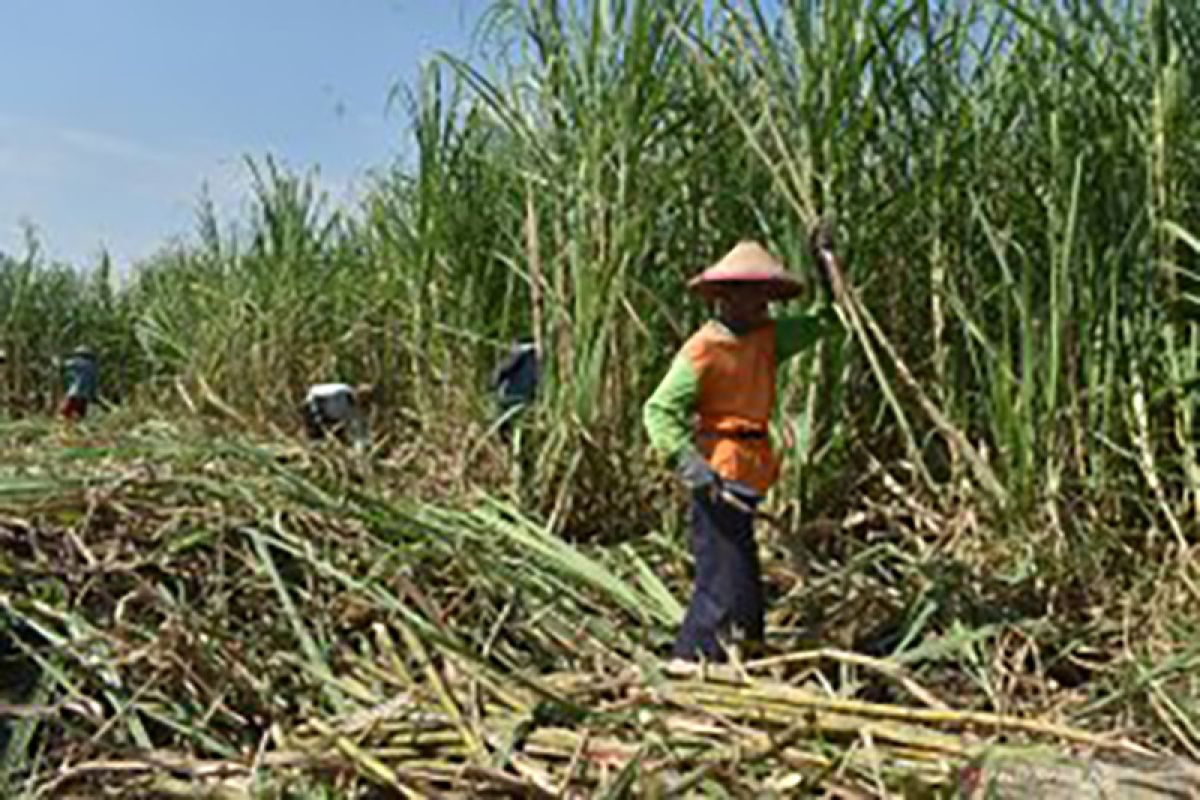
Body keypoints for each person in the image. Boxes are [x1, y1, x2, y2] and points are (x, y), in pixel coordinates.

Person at [642, 240, 835, 669]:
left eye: (764, 293)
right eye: (750, 293)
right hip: (718, 468)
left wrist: (825, 273)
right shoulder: (704, 349)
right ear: (726, 297)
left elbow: (826, 322)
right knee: (721, 573)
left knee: (743, 570)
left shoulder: (767, 339)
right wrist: (690, 464)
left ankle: (746, 652)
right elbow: (658, 411)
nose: (761, 303)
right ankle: (690, 661)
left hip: (750, 466)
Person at [302, 382, 372, 451]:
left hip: (331, 419)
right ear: (357, 391)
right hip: (315, 410)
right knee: (317, 441)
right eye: (361, 396)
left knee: (340, 444)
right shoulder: (341, 391)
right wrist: (317, 417)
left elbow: (359, 427)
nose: (361, 400)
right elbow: (314, 393)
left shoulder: (355, 407)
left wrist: (365, 442)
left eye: (365, 399)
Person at [491, 339, 539, 437]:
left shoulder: (519, 357)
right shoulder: (537, 359)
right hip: (528, 401)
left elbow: (497, 376)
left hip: (511, 400)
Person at [60, 346, 98, 421]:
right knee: (80, 414)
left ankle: (65, 427)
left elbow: (66, 364)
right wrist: (93, 394)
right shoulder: (92, 367)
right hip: (85, 394)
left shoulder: (79, 362)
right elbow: (93, 382)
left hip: (75, 391)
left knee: (65, 412)